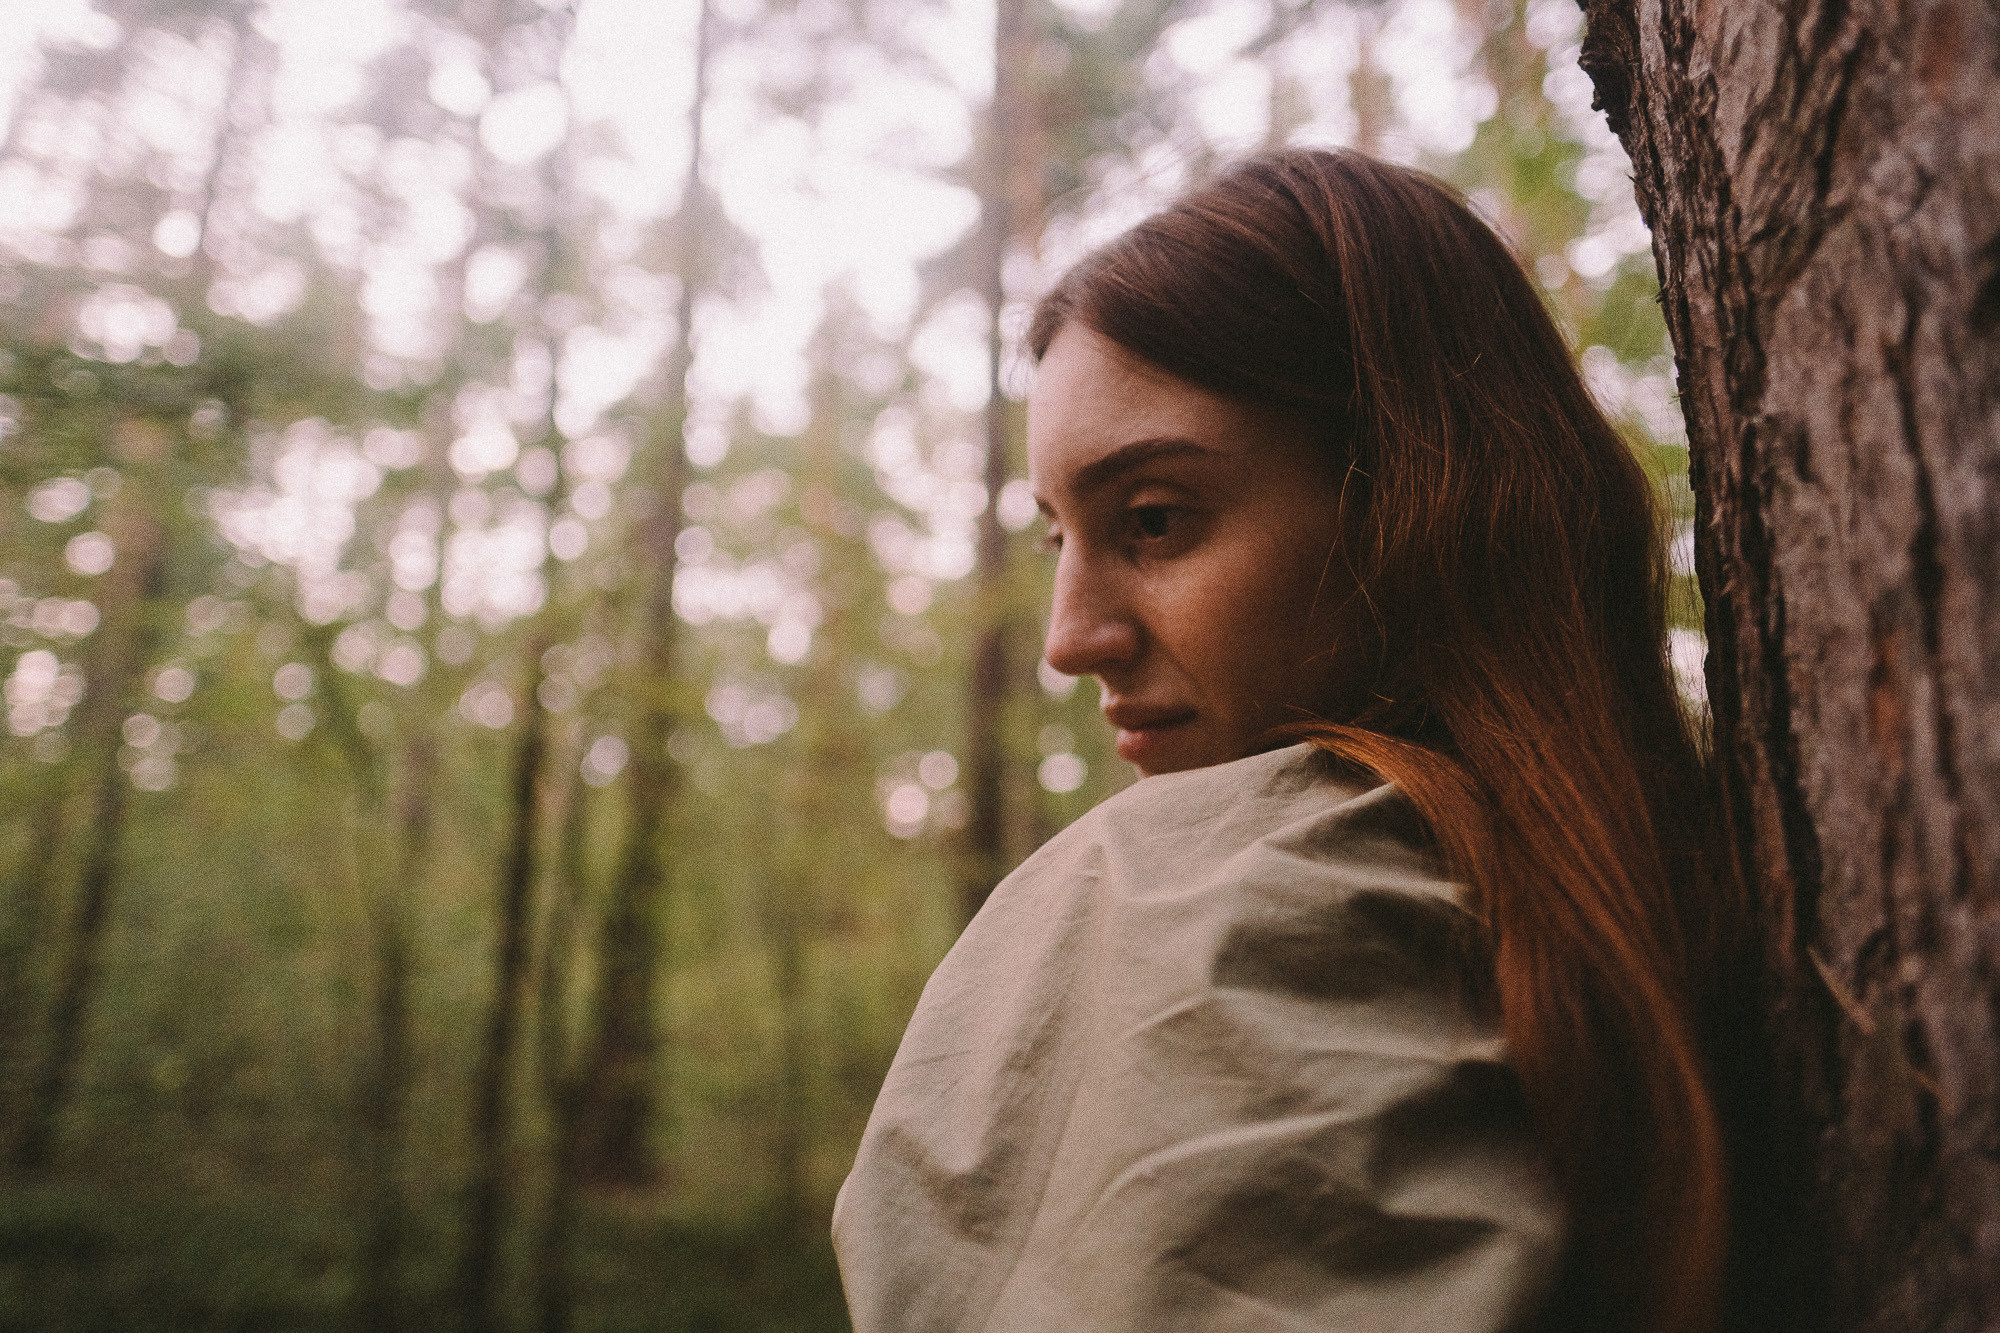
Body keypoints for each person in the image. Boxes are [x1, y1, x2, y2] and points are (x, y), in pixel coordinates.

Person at [833, 148, 1754, 1333]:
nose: (1070, 638)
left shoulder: (1173, 884)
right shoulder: (1695, 897)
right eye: (1057, 538)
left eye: (1153, 519)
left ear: (1419, 495)